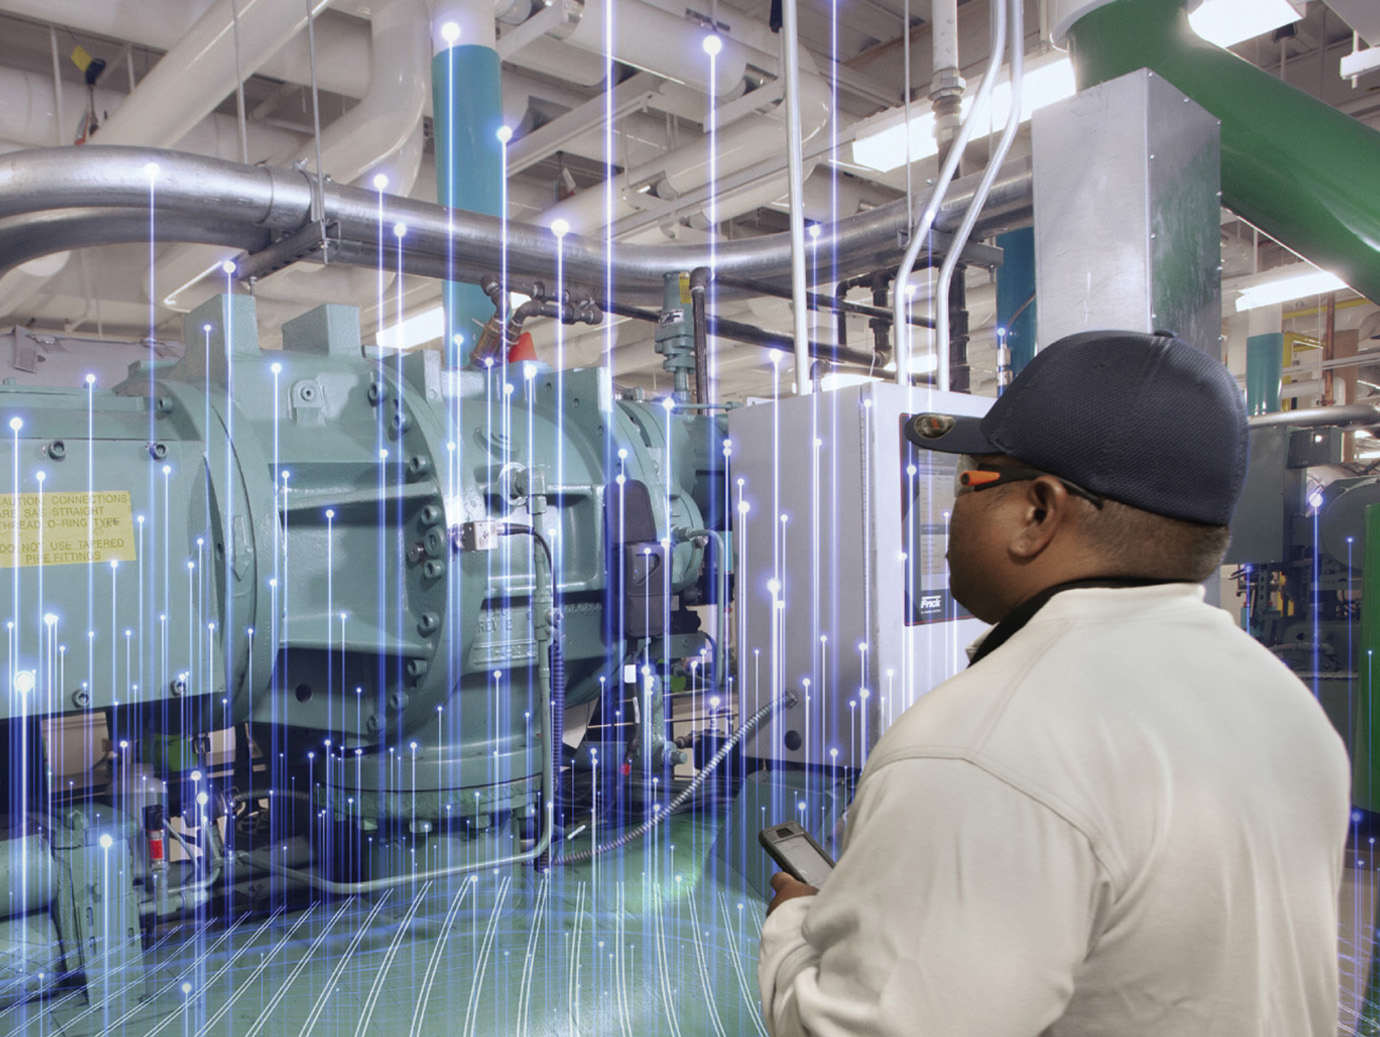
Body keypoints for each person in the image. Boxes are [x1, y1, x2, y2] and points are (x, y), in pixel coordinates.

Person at [757, 330, 1350, 1036]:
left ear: (1037, 512)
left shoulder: (977, 749)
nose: (951, 512)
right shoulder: (1283, 702)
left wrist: (795, 923)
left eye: (970, 480)